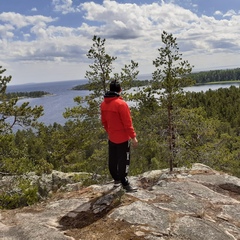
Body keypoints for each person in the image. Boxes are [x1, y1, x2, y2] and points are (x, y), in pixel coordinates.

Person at [100, 80, 138, 192]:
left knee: (113, 158)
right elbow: (128, 123)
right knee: (124, 160)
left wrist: (110, 131)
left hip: (112, 137)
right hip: (122, 138)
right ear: (120, 90)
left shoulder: (103, 104)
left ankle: (116, 179)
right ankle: (125, 183)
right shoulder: (121, 104)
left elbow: (104, 122)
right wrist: (133, 137)